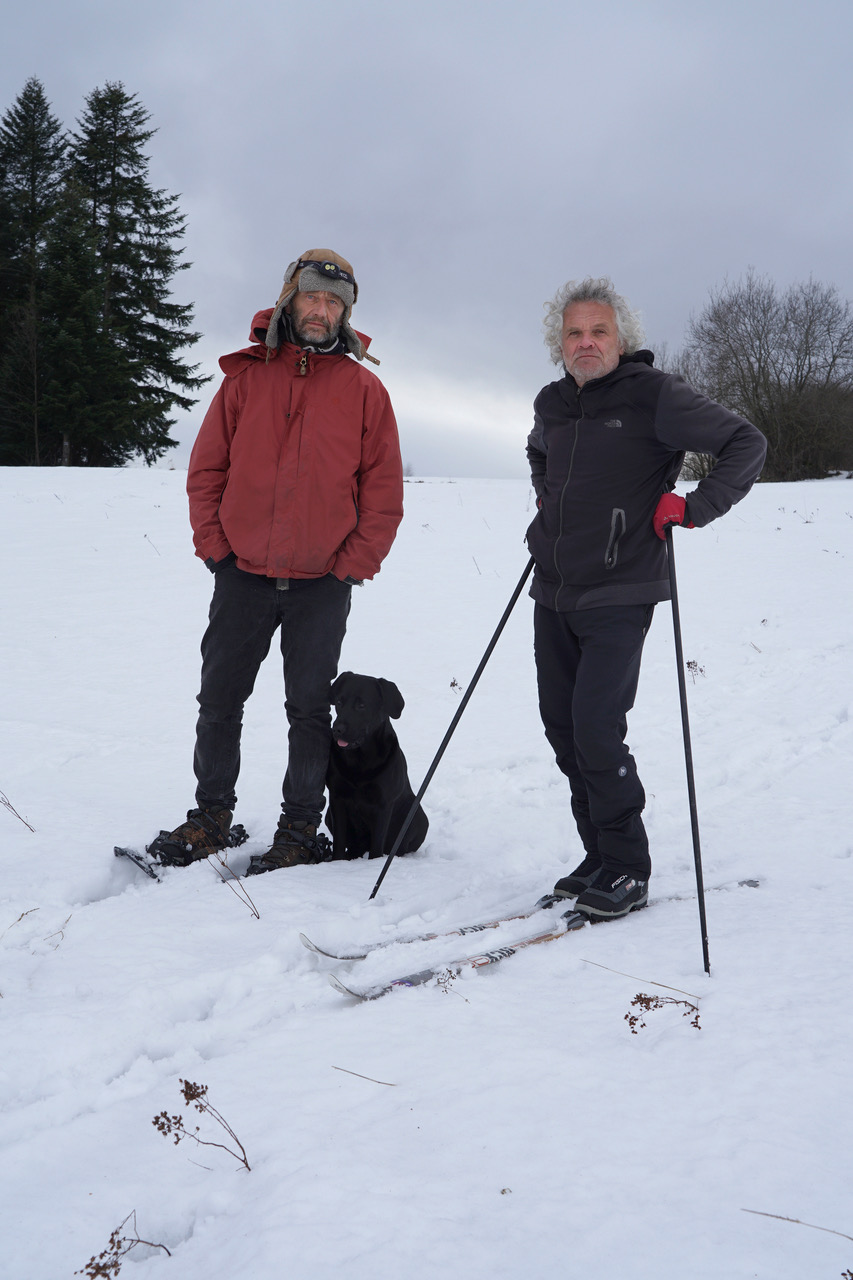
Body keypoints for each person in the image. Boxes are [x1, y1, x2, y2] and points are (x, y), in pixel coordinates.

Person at [157, 249, 404, 874]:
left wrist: (351, 565)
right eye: (311, 297)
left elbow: (382, 492)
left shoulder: (365, 391)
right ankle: (211, 817)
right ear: (290, 298)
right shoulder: (244, 381)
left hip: (323, 582)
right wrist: (216, 549)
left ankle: (298, 831)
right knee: (219, 701)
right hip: (242, 574)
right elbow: (206, 469)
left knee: (309, 711)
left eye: (334, 302)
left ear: (345, 313)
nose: (320, 310)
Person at [526, 277, 766, 919]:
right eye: (574, 332)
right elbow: (538, 450)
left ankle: (629, 867)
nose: (585, 342)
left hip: (620, 589)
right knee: (561, 728)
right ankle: (599, 853)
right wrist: (547, 503)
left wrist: (692, 507)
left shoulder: (654, 396)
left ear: (620, 337)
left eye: (598, 331)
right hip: (552, 590)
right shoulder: (552, 402)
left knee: (597, 729)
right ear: (560, 341)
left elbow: (747, 443)